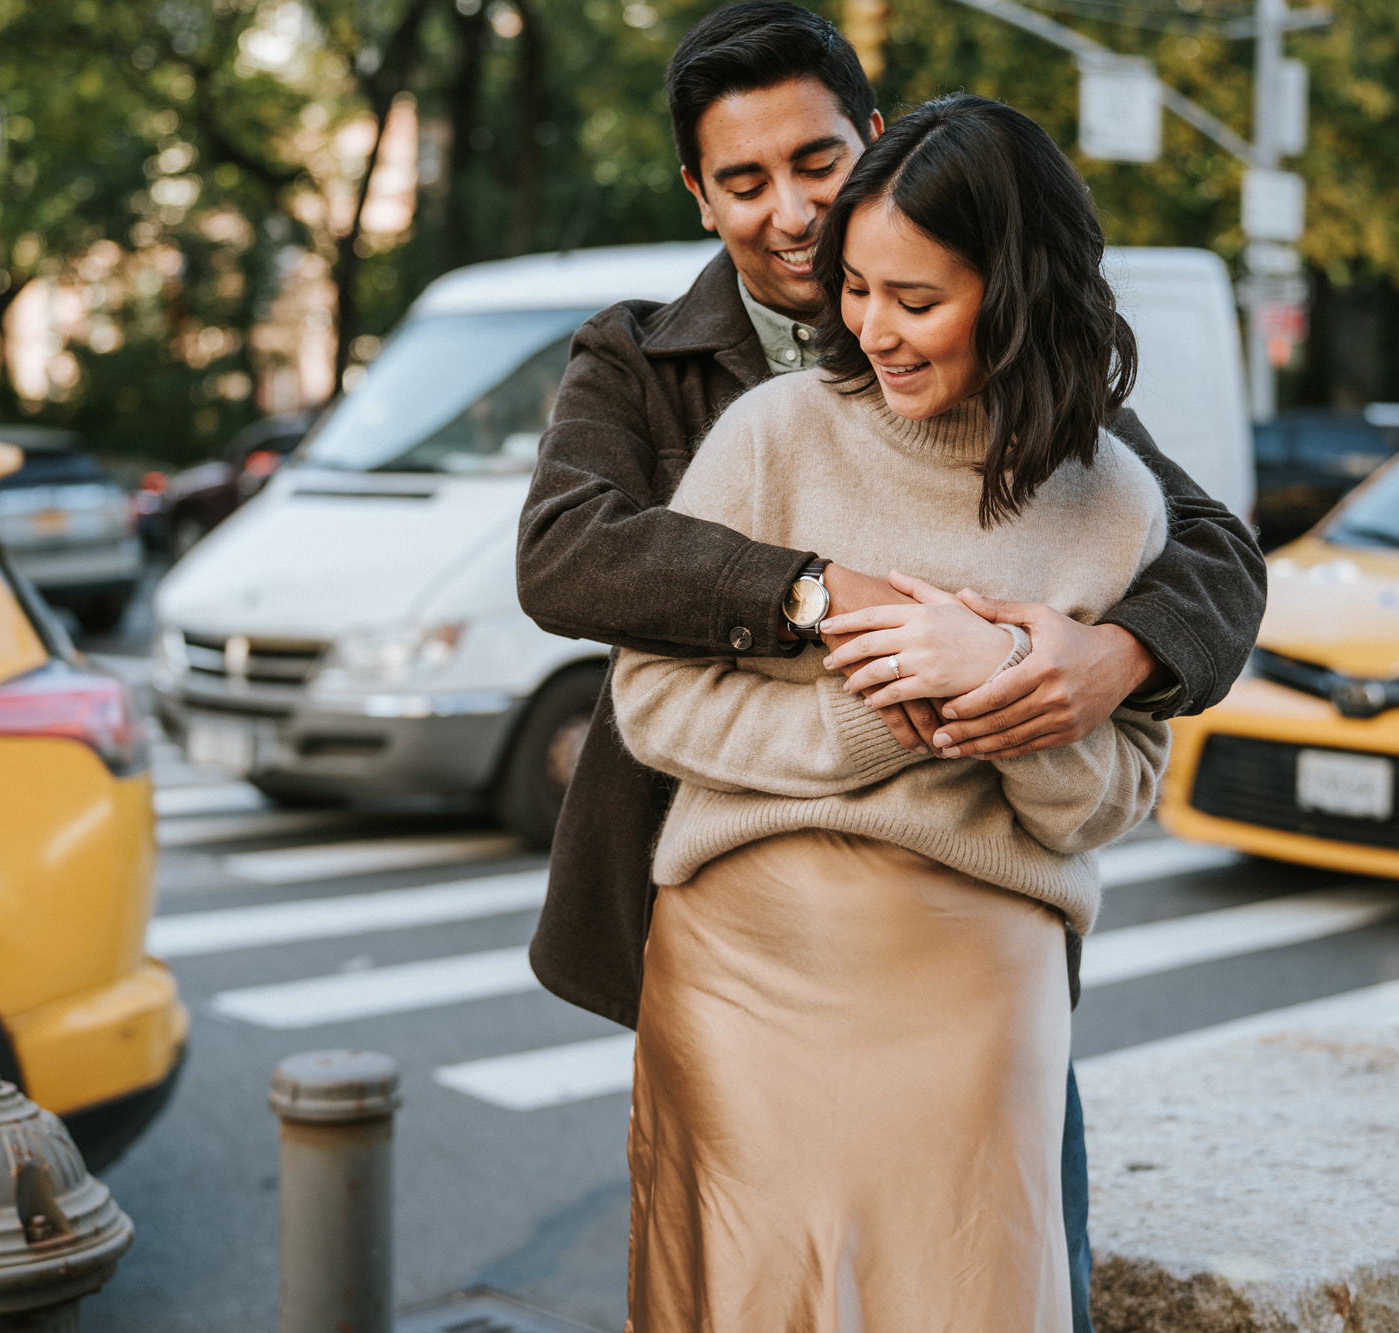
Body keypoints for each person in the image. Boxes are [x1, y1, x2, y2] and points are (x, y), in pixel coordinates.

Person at [515, 3, 1265, 1325]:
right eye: (743, 182)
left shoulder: (1036, 379)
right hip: (735, 912)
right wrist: (820, 600)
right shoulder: (648, 359)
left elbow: (1202, 540)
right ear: (699, 193)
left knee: (1011, 1266)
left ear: (869, 143)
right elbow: (570, 553)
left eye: (815, 164)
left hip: (979, 940)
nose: (791, 212)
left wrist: (1097, 654)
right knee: (752, 1273)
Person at [611, 91, 1167, 1328]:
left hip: (976, 974)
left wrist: (999, 684)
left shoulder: (1115, 502)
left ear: (1016, 295)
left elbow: (1114, 795)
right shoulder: (772, 437)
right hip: (743, 965)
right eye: (857, 292)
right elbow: (649, 700)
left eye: (916, 302)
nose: (874, 331)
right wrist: (866, 720)